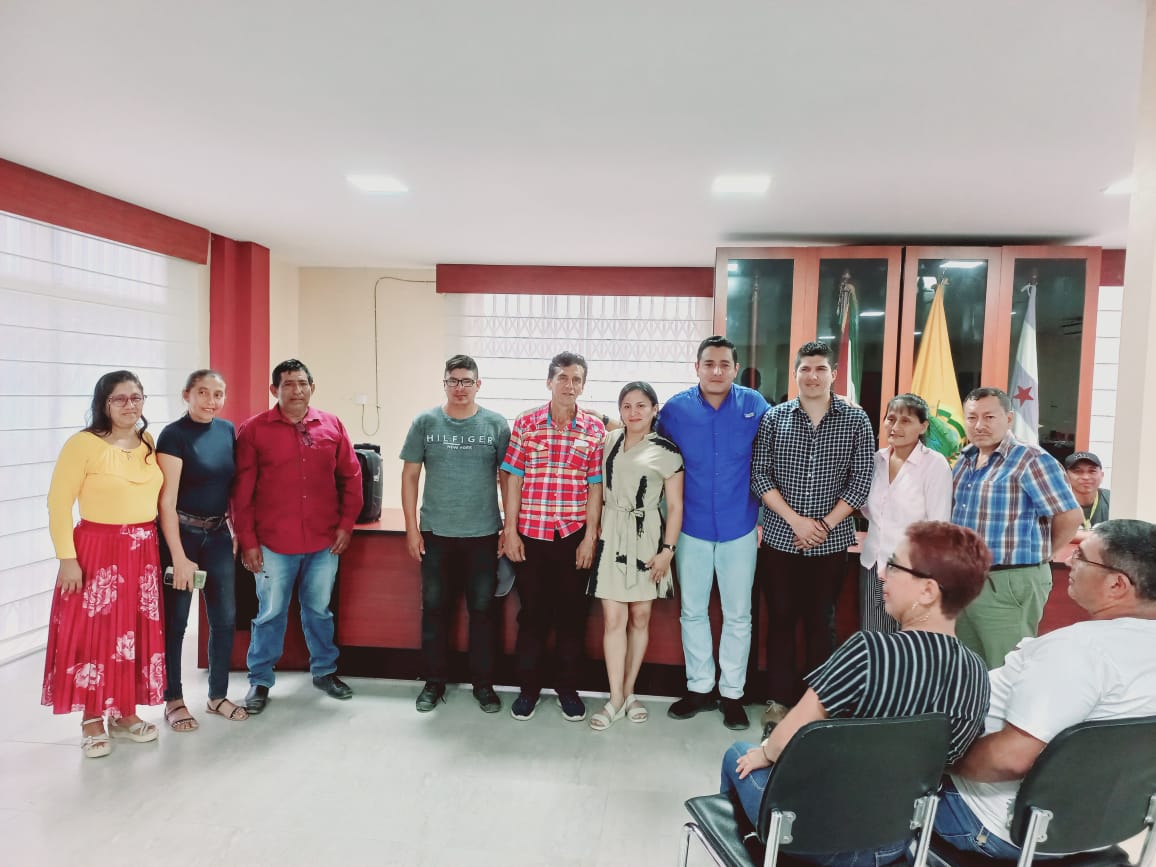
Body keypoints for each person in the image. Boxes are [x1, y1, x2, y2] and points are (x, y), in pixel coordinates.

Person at [721, 521, 992, 867]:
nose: (882, 575)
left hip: (813, 833)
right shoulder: (976, 675)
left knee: (738, 755)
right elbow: (946, 763)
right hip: (896, 839)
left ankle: (763, 854)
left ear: (927, 591)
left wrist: (764, 752)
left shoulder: (869, 652)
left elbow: (785, 740)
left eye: (895, 566)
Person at [935, 519, 1156, 861]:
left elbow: (1010, 759)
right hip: (1102, 826)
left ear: (1117, 584)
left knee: (871, 775)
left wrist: (935, 761)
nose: (1069, 561)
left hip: (996, 821)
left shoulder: (1079, 649)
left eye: (1082, 556)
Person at [42, 371, 166, 757]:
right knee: (94, 634)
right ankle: (92, 717)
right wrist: (67, 559)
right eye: (120, 398)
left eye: (137, 397)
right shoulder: (82, 444)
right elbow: (58, 503)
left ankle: (124, 713)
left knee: (130, 634)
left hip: (142, 551)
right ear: (104, 403)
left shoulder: (148, 441)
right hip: (97, 550)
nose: (130, 405)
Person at [751, 341, 874, 724]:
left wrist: (823, 525)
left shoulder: (856, 420)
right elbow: (760, 475)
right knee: (781, 621)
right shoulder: (774, 419)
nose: (812, 376)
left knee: (822, 622)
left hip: (830, 542)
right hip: (780, 539)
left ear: (833, 374)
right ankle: (778, 702)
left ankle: (817, 706)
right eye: (805, 369)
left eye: (820, 369)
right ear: (795, 374)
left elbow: (861, 481)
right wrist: (796, 521)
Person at [233, 359, 363, 713]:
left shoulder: (332, 425)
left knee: (319, 610)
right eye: (288, 384)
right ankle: (260, 680)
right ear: (274, 390)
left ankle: (324, 671)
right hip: (273, 543)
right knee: (270, 613)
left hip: (324, 541)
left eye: (303, 383)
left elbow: (351, 477)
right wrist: (248, 541)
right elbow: (241, 493)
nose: (297, 390)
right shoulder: (254, 430)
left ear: (312, 388)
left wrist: (346, 525)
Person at [657, 336, 770, 731]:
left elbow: (768, 463)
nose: (717, 371)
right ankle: (699, 688)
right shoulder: (675, 410)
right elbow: (654, 456)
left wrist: (763, 520)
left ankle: (733, 694)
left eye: (724, 364)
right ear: (697, 367)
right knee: (692, 612)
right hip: (691, 527)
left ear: (736, 368)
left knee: (739, 615)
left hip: (741, 527)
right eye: (709, 363)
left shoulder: (755, 406)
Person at [400, 355, 511, 714]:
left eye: (466, 381)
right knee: (435, 609)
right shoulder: (426, 422)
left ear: (478, 385)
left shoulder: (495, 424)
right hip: (436, 534)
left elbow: (508, 479)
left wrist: (510, 527)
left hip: (483, 534)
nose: (460, 388)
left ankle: (484, 684)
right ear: (444, 383)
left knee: (483, 611)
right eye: (453, 381)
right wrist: (411, 529)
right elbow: (410, 476)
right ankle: (434, 682)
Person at [501, 351, 606, 722]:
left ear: (583, 386)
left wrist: (590, 537)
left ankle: (567, 689)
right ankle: (528, 689)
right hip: (531, 536)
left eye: (576, 379)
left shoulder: (594, 430)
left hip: (573, 537)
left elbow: (595, 487)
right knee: (532, 616)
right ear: (549, 382)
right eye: (562, 377)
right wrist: (510, 531)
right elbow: (513, 479)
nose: (569, 385)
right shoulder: (527, 423)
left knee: (572, 617)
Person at [951, 387, 1082, 668]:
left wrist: (1045, 552)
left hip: (1009, 581)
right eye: (972, 417)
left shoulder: (1030, 459)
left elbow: (1070, 516)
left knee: (1006, 668)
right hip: (965, 581)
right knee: (969, 669)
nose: (979, 425)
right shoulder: (964, 460)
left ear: (1008, 418)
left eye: (989, 417)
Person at [587, 382, 684, 730]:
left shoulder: (667, 451)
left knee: (640, 618)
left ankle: (629, 692)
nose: (634, 412)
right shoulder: (609, 440)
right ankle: (615, 698)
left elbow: (676, 507)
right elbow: (596, 421)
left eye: (642, 405)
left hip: (647, 538)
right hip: (612, 533)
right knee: (614, 620)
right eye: (627, 406)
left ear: (655, 409)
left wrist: (667, 552)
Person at [156, 369, 247, 731]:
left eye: (218, 394)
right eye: (203, 393)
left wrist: (234, 527)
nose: (211, 401)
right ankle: (173, 699)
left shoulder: (226, 430)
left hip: (218, 535)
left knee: (224, 619)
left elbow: (231, 486)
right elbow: (166, 502)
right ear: (187, 395)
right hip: (182, 534)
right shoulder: (173, 435)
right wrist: (178, 556)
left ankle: (217, 696)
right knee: (176, 622)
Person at [859, 394, 952, 632]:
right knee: (876, 639)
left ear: (923, 426)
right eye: (891, 419)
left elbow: (938, 527)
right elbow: (868, 509)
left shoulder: (935, 465)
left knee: (911, 643)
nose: (895, 426)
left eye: (906, 421)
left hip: (913, 571)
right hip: (873, 565)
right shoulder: (875, 461)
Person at [1064, 451, 1109, 542]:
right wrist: (1105, 536)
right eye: (1078, 471)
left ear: (1102, 475)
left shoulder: (1113, 500)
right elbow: (1052, 533)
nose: (1086, 477)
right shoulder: (1055, 502)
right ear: (1065, 476)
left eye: (1092, 471)